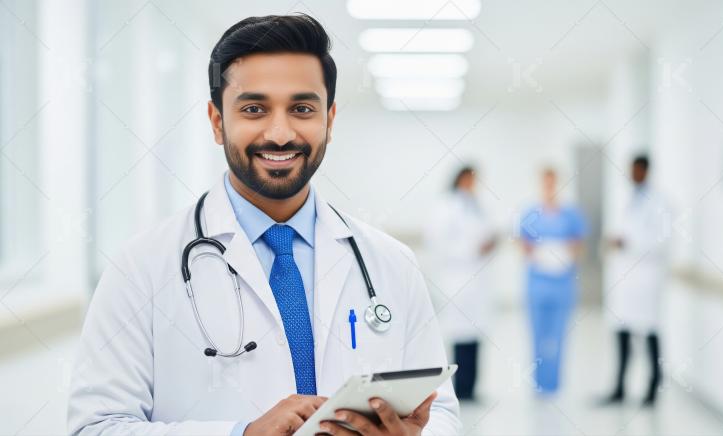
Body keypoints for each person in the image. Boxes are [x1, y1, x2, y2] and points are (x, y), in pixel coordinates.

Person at [67, 14, 460, 436]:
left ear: (329, 120)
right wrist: (242, 433)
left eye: (302, 109)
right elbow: (96, 427)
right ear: (218, 122)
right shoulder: (141, 268)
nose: (279, 133)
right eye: (254, 109)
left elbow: (440, 413)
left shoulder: (391, 263)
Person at [601, 155, 669, 407]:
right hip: (625, 277)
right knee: (622, 331)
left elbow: (661, 242)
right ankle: (619, 387)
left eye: (638, 170)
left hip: (646, 276)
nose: (634, 175)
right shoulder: (627, 199)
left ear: (646, 171)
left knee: (650, 331)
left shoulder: (660, 202)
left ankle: (653, 386)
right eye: (631, 170)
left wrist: (628, 243)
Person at [425, 166, 497, 401]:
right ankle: (460, 389)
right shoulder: (446, 205)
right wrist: (473, 249)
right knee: (459, 335)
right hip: (456, 278)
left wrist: (487, 245)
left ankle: (472, 388)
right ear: (461, 178)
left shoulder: (476, 205)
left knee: (475, 334)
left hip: (477, 280)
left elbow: (487, 233)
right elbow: (437, 242)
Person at [518, 168, 587, 395]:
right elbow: (522, 244)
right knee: (537, 334)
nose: (550, 187)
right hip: (537, 283)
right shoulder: (530, 214)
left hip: (563, 285)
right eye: (546, 182)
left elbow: (579, 243)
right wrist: (539, 254)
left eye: (553, 182)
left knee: (558, 336)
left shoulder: (571, 215)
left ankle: (554, 384)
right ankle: (539, 383)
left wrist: (563, 255)